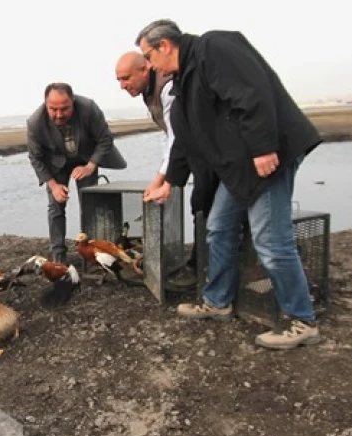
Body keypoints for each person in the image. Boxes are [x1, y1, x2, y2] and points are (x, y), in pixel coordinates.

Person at [138, 19, 323, 350]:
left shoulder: (214, 48)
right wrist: (170, 183)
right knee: (218, 227)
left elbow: (252, 95)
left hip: (266, 157)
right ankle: (218, 301)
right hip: (239, 167)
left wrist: (264, 147)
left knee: (271, 239)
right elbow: (184, 139)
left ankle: (302, 320)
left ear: (164, 46)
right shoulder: (183, 82)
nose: (149, 66)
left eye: (148, 57)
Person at [115, 50, 212, 287]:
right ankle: (202, 265)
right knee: (201, 204)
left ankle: (203, 268)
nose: (122, 85)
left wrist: (162, 180)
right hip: (193, 154)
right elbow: (166, 134)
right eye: (118, 79)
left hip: (208, 154)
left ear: (144, 69)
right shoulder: (150, 93)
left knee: (204, 205)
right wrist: (161, 176)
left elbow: (176, 137)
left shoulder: (168, 89)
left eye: (126, 78)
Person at [27, 82, 127, 264]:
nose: (59, 114)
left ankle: (94, 255)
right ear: (45, 105)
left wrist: (90, 166)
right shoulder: (35, 122)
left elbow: (105, 140)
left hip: (86, 158)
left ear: (73, 101)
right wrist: (54, 185)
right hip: (56, 164)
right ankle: (58, 258)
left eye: (64, 109)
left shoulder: (88, 108)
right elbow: (36, 158)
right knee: (55, 207)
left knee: (90, 205)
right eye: (53, 109)